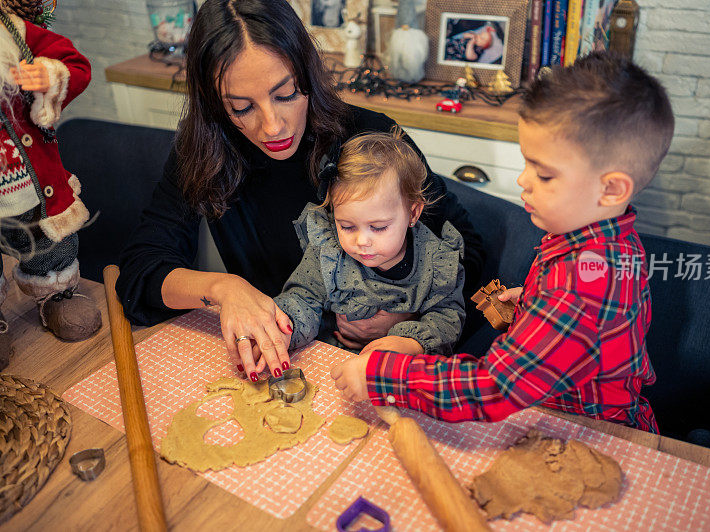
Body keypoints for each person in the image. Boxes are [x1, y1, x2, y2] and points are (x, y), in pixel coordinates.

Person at [116, 0, 483, 383]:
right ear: (215, 106)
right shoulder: (205, 152)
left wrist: (406, 320)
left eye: (285, 94)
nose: (272, 126)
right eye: (242, 108)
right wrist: (222, 288)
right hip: (291, 355)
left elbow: (467, 250)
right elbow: (140, 274)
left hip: (382, 367)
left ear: (306, 74)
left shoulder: (372, 141)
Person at [331, 52, 675, 433]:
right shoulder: (601, 242)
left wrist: (384, 375)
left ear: (610, 189)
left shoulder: (580, 287)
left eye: (544, 175)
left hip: (591, 434)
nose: (522, 181)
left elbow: (496, 387)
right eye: (527, 163)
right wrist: (531, 303)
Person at [273, 129, 465, 357]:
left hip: (397, 369)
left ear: (412, 213)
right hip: (333, 356)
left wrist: (411, 343)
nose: (361, 241)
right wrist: (284, 330)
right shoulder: (329, 251)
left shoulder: (438, 263)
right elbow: (303, 299)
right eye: (346, 226)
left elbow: (446, 318)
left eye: (379, 227)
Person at [0, 5, 99, 370]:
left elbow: (77, 65)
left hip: (31, 186)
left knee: (47, 241)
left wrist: (47, 77)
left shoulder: (15, 34)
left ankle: (57, 294)